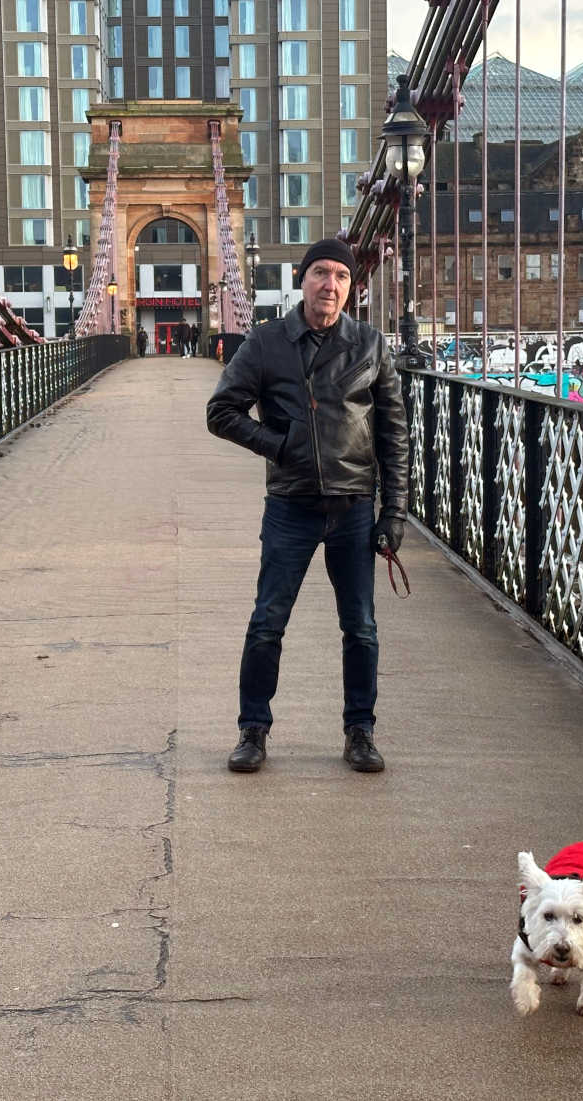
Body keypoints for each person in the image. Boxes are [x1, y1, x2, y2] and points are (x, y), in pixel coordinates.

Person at [205, 238, 409, 774]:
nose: (330, 285)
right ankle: (253, 730)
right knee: (267, 622)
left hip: (353, 506)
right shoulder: (266, 341)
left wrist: (395, 511)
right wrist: (279, 445)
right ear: (303, 280)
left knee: (360, 626)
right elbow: (221, 411)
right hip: (290, 505)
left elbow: (394, 434)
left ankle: (360, 732)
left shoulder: (370, 345)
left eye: (341, 275)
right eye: (321, 272)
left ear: (351, 286)